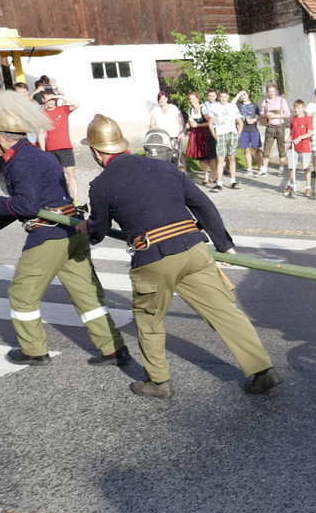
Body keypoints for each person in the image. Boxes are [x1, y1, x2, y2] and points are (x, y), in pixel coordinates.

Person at [75, 114, 282, 398]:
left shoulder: (101, 184)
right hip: (193, 249)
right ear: (121, 144)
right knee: (225, 312)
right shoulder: (162, 167)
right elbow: (202, 203)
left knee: (148, 320)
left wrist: (87, 226)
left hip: (155, 258)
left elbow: (97, 231)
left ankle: (158, 383)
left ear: (97, 152)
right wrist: (223, 244)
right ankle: (263, 370)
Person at [0, 91, 129, 367]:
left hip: (49, 237)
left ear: (0, 137)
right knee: (88, 295)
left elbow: (26, 205)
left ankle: (34, 350)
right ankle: (114, 349)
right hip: (70, 234)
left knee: (22, 294)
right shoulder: (35, 154)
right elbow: (33, 203)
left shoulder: (20, 161)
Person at [40, 89, 81, 204]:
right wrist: (43, 151)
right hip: (51, 149)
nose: (50, 102)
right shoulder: (42, 114)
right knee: (58, 176)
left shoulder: (63, 109)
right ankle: (66, 198)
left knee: (70, 173)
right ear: (43, 100)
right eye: (47, 99)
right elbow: (41, 133)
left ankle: (76, 198)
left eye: (52, 99)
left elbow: (76, 104)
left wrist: (61, 97)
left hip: (65, 147)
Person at [207, 89, 243, 192]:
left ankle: (233, 181)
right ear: (219, 97)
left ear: (228, 97)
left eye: (225, 97)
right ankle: (219, 183)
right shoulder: (215, 106)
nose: (223, 99)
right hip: (221, 134)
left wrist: (238, 134)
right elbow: (210, 122)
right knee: (220, 159)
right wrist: (214, 134)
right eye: (221, 97)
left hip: (231, 134)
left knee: (231, 158)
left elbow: (240, 121)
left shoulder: (232, 106)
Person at [258, 82, 290, 177]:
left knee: (281, 148)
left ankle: (281, 168)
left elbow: (287, 114)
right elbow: (262, 114)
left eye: (273, 91)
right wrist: (265, 114)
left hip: (280, 127)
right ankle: (264, 169)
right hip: (270, 128)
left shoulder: (281, 101)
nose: (271, 93)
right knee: (266, 148)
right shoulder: (265, 102)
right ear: (267, 92)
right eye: (269, 92)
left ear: (276, 91)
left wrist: (276, 115)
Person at [148, 90, 185, 170]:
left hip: (175, 137)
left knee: (179, 157)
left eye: (163, 98)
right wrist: (155, 134)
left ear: (167, 99)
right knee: (165, 157)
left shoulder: (173, 108)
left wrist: (181, 133)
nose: (162, 101)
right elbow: (152, 124)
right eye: (160, 99)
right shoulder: (155, 110)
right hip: (163, 139)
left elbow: (181, 121)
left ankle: (184, 175)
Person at [184, 90, 216, 184]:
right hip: (196, 135)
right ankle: (206, 176)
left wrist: (197, 125)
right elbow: (189, 123)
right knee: (200, 157)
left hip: (206, 134)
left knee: (210, 157)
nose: (191, 101)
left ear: (198, 99)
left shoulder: (203, 109)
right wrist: (182, 132)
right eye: (190, 99)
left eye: (193, 99)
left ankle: (214, 175)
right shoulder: (190, 110)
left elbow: (211, 122)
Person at [285, 99, 314, 197]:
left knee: (306, 167)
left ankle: (308, 187)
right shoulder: (293, 119)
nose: (296, 110)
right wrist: (288, 138)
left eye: (298, 108)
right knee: (292, 167)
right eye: (295, 108)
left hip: (304, 147)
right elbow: (291, 133)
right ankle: (292, 185)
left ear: (303, 108)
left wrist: (300, 138)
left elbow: (309, 133)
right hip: (293, 147)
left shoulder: (307, 119)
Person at [236, 88, 262, 175]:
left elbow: (261, 116)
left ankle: (260, 168)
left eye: (244, 94)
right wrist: (238, 95)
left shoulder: (254, 105)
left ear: (248, 95)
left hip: (254, 130)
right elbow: (231, 104)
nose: (243, 96)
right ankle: (249, 169)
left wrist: (255, 120)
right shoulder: (238, 105)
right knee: (246, 150)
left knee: (256, 149)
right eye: (241, 95)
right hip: (244, 130)